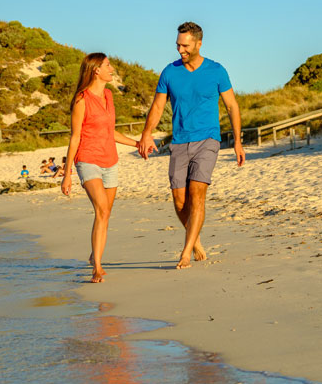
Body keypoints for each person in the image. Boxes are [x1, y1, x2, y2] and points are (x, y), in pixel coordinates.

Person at [138, 21, 245, 269]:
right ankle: (194, 237)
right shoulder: (170, 72)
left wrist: (238, 142)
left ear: (198, 43)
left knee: (197, 194)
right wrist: (146, 133)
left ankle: (186, 252)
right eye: (178, 45)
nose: (180, 50)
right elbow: (157, 106)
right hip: (179, 141)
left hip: (208, 139)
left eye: (185, 45)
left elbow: (232, 106)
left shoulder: (217, 71)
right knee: (179, 200)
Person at [62, 54, 141, 282]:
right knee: (102, 210)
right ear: (96, 70)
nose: (112, 68)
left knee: (106, 214)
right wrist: (66, 175)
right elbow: (75, 138)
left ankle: (93, 254)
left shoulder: (108, 95)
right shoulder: (81, 99)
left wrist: (137, 144)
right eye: (108, 65)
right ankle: (97, 267)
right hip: (87, 159)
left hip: (110, 161)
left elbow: (110, 132)